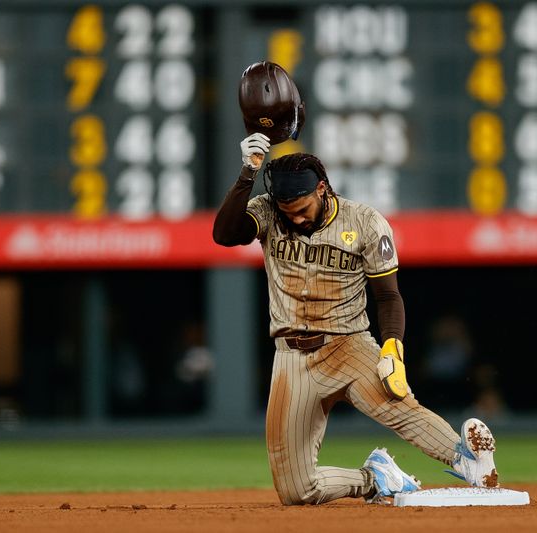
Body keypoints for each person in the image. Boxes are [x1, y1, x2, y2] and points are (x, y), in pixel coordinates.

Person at [212, 133, 499, 505]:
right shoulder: (269, 210)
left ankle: (471, 462)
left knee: (399, 408)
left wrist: (393, 347)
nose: (295, 217)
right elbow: (224, 234)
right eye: (288, 210)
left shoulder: (364, 222)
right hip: (292, 358)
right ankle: (375, 478)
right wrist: (248, 172)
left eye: (301, 207)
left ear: (322, 189)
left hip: (348, 344)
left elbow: (388, 295)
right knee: (295, 492)